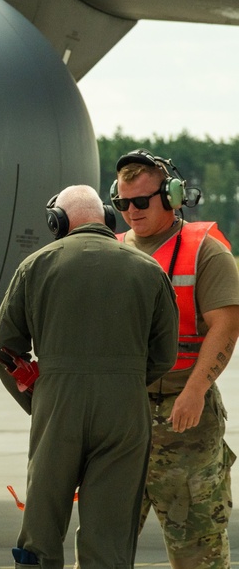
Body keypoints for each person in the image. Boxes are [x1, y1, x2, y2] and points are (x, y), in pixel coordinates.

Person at [0, 184, 178, 569]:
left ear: (56, 222)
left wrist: (38, 398)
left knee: (41, 530)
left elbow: (3, 348)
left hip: (57, 405)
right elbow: (164, 355)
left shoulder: (36, 265)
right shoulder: (148, 268)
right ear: (106, 218)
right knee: (108, 539)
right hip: (125, 410)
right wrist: (121, 381)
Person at [113, 149, 239, 568]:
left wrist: (195, 391)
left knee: (197, 546)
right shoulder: (110, 251)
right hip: (122, 417)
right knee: (102, 542)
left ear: (172, 196)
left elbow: (225, 324)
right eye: (122, 203)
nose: (132, 212)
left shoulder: (205, 251)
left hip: (184, 417)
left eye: (142, 201)